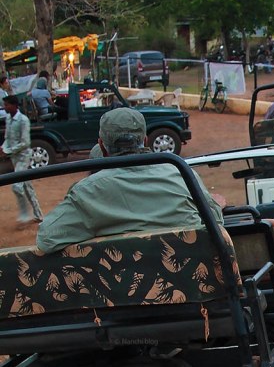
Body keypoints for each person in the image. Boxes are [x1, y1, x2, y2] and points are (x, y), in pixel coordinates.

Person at [37, 108, 224, 253]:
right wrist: (215, 203)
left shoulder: (87, 192)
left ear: (102, 146)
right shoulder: (182, 174)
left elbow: (47, 239)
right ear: (145, 139)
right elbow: (215, 221)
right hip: (190, 293)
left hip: (124, 297)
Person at [1, 95, 43, 226]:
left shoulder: (23, 120)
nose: (5, 107)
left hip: (23, 156)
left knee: (17, 186)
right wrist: (3, 147)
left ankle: (25, 214)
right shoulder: (8, 119)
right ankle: (39, 214)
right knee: (26, 186)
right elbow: (7, 137)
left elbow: (25, 143)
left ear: (14, 106)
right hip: (15, 157)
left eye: (7, 105)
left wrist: (8, 150)